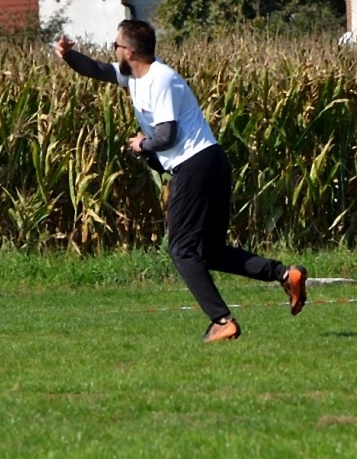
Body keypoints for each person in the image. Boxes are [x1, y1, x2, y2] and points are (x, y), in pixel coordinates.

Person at [54, 20, 307, 341]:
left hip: (196, 165)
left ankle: (222, 320)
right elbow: (97, 70)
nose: (113, 50)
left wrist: (140, 145)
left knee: (182, 250)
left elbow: (166, 134)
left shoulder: (161, 79)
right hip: (208, 161)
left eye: (116, 45)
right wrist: (67, 56)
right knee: (210, 251)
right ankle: (285, 274)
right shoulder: (133, 74)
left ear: (129, 51)